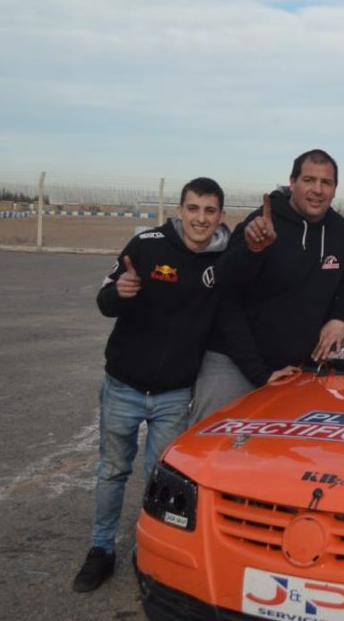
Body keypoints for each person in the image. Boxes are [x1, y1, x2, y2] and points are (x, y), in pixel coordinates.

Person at [73, 177, 229, 593]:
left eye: (209, 211)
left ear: (220, 216)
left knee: (162, 479)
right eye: (193, 208)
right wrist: (119, 293)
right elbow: (104, 300)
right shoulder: (146, 245)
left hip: (175, 394)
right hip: (123, 385)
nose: (200, 218)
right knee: (112, 471)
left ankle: (152, 550)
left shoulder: (226, 259)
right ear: (179, 211)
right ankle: (101, 549)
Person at [188, 149, 344, 424]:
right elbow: (225, 286)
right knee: (208, 439)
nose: (317, 190)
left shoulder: (339, 231)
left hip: (293, 370)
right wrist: (253, 250)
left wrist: (340, 318)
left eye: (326, 182)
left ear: (335, 189)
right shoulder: (261, 223)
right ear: (292, 182)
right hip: (233, 362)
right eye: (309, 180)